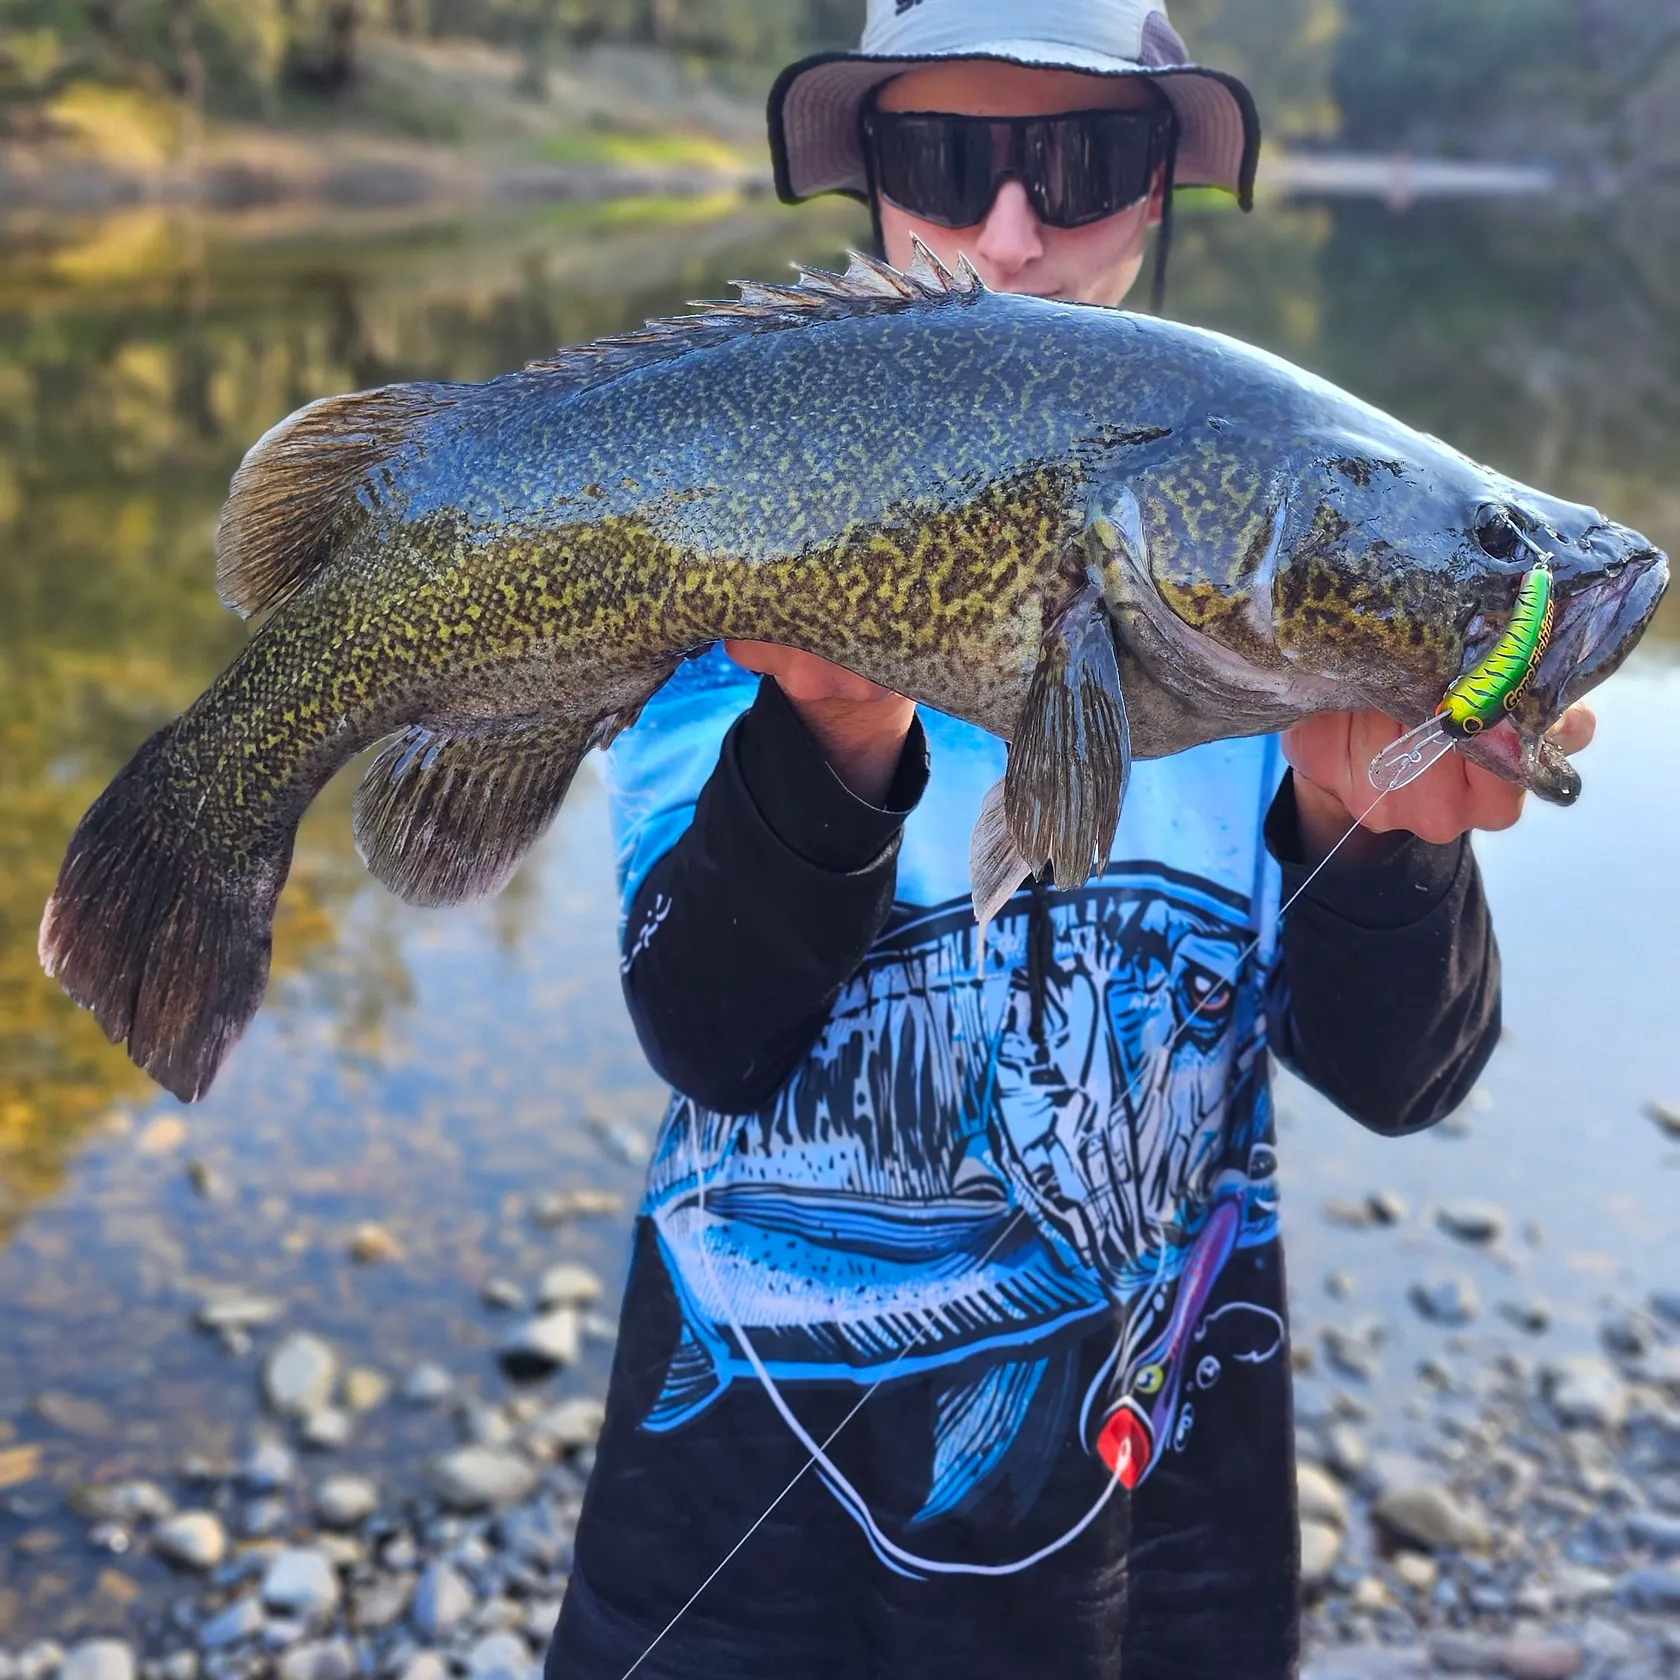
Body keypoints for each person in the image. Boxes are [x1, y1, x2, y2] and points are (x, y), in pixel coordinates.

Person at [546, 4, 1594, 1677]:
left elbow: (1405, 1080)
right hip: (738, 1483)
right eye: (944, 162)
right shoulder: (722, 542)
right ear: (872, 186)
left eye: (1081, 161)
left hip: (1138, 1493)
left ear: (1162, 187)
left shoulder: (1273, 572)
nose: (1010, 232)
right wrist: (824, 734)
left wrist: (1373, 843)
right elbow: (712, 1039)